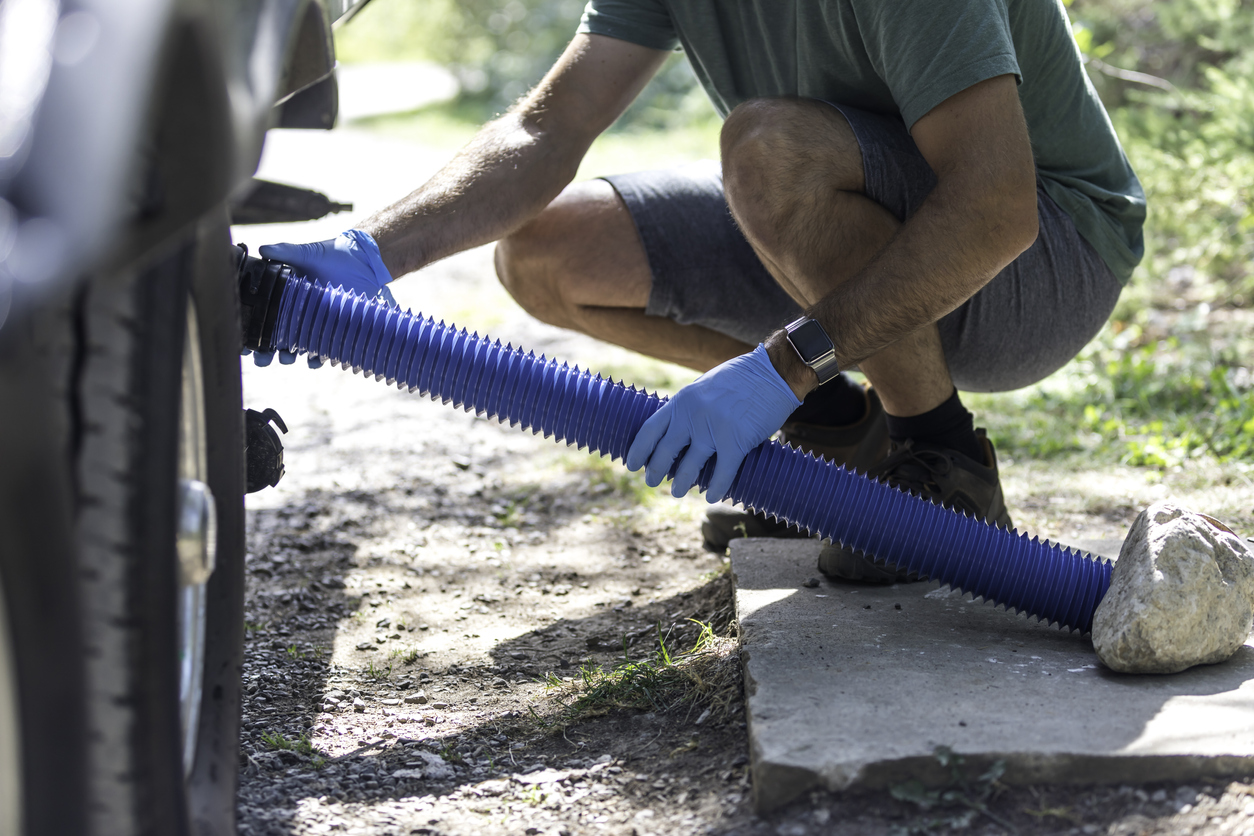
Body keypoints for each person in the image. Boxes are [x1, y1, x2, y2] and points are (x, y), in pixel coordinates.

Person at [260, 0, 1145, 583]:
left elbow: (995, 211)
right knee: (546, 251)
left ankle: (938, 457)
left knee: (767, 147)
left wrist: (779, 366)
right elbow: (547, 124)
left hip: (1046, 263)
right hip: (844, 217)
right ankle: (841, 437)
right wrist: (367, 251)